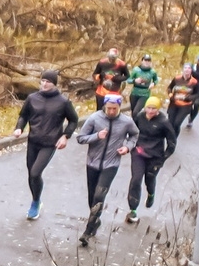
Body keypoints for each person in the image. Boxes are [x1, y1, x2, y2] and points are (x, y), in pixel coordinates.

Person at [15, 69, 79, 220]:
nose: (44, 84)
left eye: (48, 82)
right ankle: (36, 199)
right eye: (43, 81)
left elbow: (74, 120)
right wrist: (19, 128)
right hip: (33, 140)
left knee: (35, 173)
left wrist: (65, 136)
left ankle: (35, 203)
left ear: (54, 84)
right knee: (31, 175)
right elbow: (23, 116)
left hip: (50, 143)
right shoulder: (32, 98)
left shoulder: (63, 102)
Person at [76, 93, 136, 245]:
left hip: (111, 164)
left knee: (99, 196)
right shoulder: (94, 118)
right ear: (104, 106)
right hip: (92, 163)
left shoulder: (126, 122)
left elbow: (134, 135)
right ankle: (95, 220)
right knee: (92, 198)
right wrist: (97, 136)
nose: (111, 111)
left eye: (114, 109)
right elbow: (81, 138)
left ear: (119, 107)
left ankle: (88, 231)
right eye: (109, 108)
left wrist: (127, 147)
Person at [124, 95, 175, 222]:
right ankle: (133, 209)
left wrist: (163, 158)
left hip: (155, 157)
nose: (150, 111)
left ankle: (151, 193)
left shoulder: (164, 122)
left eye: (154, 108)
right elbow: (132, 131)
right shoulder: (139, 117)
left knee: (149, 179)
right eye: (148, 108)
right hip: (138, 154)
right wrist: (130, 145)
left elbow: (172, 143)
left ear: (158, 109)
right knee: (136, 179)